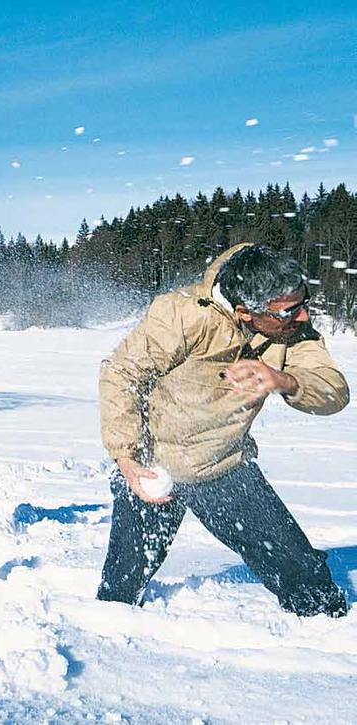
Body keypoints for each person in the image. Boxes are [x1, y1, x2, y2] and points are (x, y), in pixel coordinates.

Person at [97, 243, 349, 618]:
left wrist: (284, 380)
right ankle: (105, 641)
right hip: (152, 467)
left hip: (224, 467)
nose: (303, 316)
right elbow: (121, 374)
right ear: (247, 312)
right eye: (289, 311)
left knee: (307, 582)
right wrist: (127, 458)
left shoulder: (293, 332)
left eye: (304, 301)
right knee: (122, 584)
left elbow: (334, 391)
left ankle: (329, 634)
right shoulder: (183, 315)